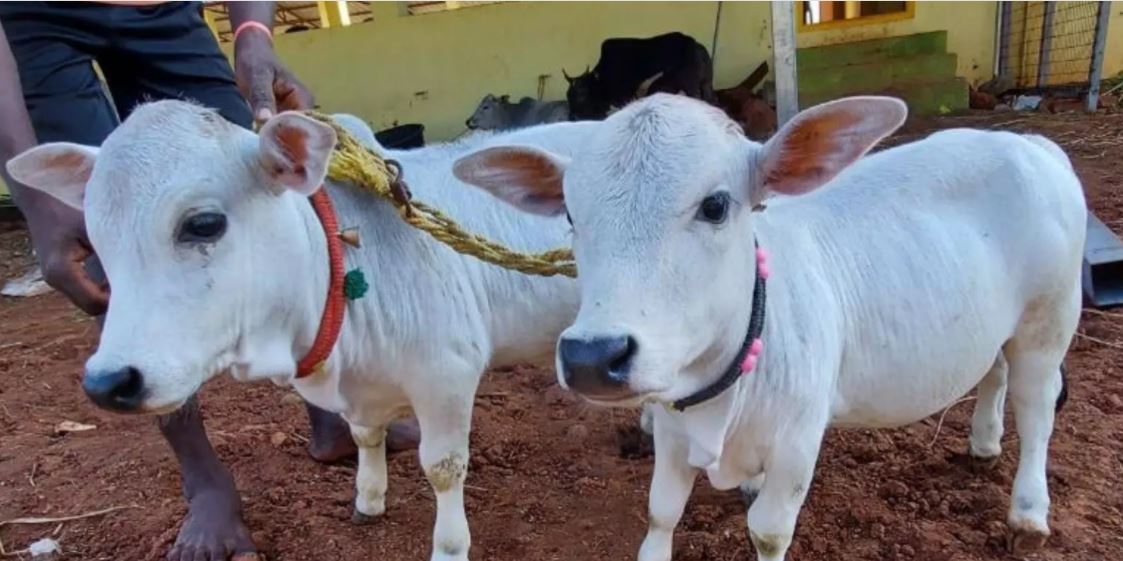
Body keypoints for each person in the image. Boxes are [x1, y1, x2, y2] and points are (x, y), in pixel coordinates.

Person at [0, 3, 419, 560]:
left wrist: (252, 35)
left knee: (253, 191)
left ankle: (330, 412)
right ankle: (205, 483)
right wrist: (34, 200)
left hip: (167, 13)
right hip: (33, 21)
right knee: (112, 226)